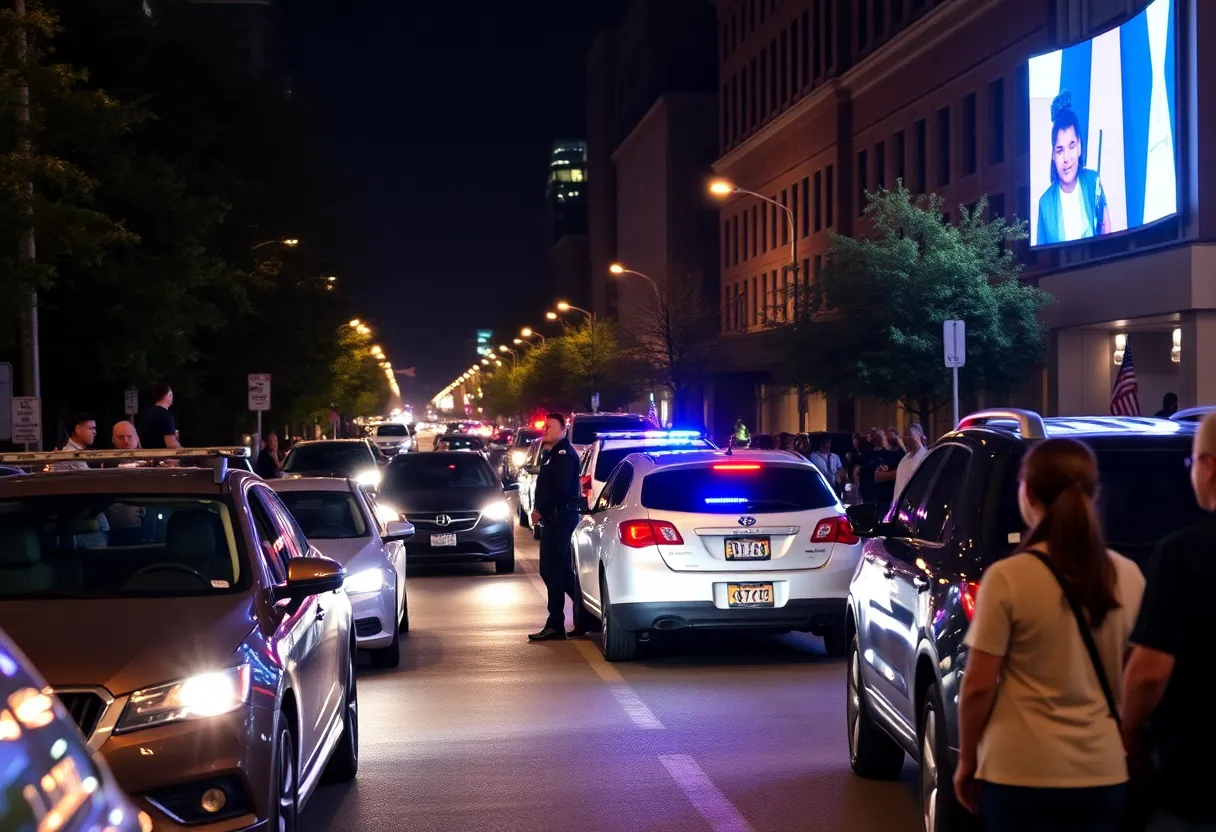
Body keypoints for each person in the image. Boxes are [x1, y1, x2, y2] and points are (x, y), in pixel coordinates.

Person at [953, 438, 1144, 831]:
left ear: (1028, 493)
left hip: (1018, 771)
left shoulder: (1008, 578)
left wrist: (968, 759)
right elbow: (1135, 674)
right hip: (1102, 772)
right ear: (1093, 494)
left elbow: (977, 686)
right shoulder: (1128, 576)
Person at [1121, 414, 1216, 830]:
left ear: (1209, 465)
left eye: (1190, 462)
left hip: (1197, 778)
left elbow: (1149, 673)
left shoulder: (1183, 554)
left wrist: (1126, 729)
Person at [529, 413, 595, 641]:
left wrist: (541, 510)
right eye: (545, 427)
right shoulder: (553, 454)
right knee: (560, 572)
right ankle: (586, 615)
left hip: (559, 521)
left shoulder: (564, 455)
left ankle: (555, 623)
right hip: (554, 520)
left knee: (552, 571)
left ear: (563, 430)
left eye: (549, 427)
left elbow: (558, 490)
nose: (545, 430)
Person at [1035, 91, 1111, 245]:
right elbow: (1041, 260)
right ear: (1053, 155)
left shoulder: (1093, 182)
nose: (1067, 158)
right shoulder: (1045, 203)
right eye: (1060, 150)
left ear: (1079, 146)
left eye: (1071, 146)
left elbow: (1107, 233)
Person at [890, 423, 927, 507]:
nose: (905, 439)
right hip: (900, 508)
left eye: (909, 436)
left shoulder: (926, 458)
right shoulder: (903, 461)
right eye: (904, 436)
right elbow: (898, 489)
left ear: (918, 438)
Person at [137, 383, 181, 449]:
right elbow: (171, 444)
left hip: (146, 456)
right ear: (167, 396)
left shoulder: (146, 414)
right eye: (171, 395)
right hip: (161, 457)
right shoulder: (166, 416)